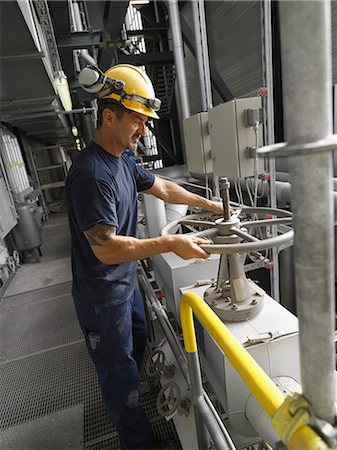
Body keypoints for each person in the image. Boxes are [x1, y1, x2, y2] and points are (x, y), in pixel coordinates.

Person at [66, 64, 223, 449]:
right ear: (109, 116)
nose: (144, 130)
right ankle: (138, 443)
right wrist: (169, 244)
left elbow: (164, 188)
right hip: (102, 297)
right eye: (137, 120)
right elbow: (104, 247)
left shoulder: (121, 159)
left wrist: (208, 204)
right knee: (118, 375)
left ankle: (139, 400)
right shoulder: (92, 174)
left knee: (134, 351)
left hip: (126, 284)